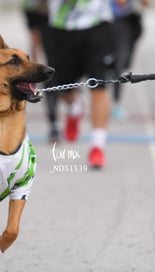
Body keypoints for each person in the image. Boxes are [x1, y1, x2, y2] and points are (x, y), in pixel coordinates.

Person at [42, 0, 116, 169]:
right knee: (63, 87)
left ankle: (98, 147)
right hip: (61, 27)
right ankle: (74, 108)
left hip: (97, 24)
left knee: (99, 86)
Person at [110, 0, 149, 120]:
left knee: (122, 65)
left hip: (130, 24)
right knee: (117, 65)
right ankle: (115, 104)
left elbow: (146, 3)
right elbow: (120, 2)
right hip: (111, 23)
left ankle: (116, 104)